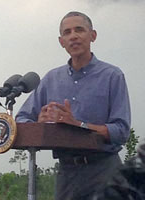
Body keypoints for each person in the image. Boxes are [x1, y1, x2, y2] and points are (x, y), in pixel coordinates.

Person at [15, 11, 131, 200]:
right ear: (61, 41)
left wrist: (79, 125)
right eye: (67, 32)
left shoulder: (112, 76)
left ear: (92, 35)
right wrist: (38, 122)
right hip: (67, 174)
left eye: (79, 30)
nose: (73, 36)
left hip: (105, 170)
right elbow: (20, 120)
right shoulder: (51, 79)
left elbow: (121, 131)